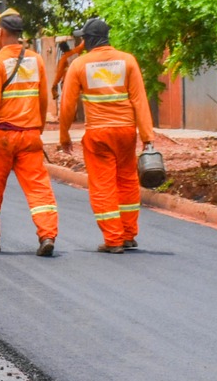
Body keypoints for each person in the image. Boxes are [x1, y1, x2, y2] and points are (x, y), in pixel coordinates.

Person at [56, 16, 158, 252]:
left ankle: (113, 239)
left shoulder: (80, 65)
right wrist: (147, 138)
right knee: (127, 181)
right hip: (125, 133)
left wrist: (64, 135)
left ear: (90, 40)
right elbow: (140, 101)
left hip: (98, 135)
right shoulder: (127, 61)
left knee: (103, 186)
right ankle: (128, 234)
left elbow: (68, 105)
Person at [0, 10, 58, 257]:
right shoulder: (36, 60)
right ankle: (47, 234)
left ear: (0, 32)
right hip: (30, 135)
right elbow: (43, 100)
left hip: (3, 137)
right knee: (39, 190)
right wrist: (37, 130)